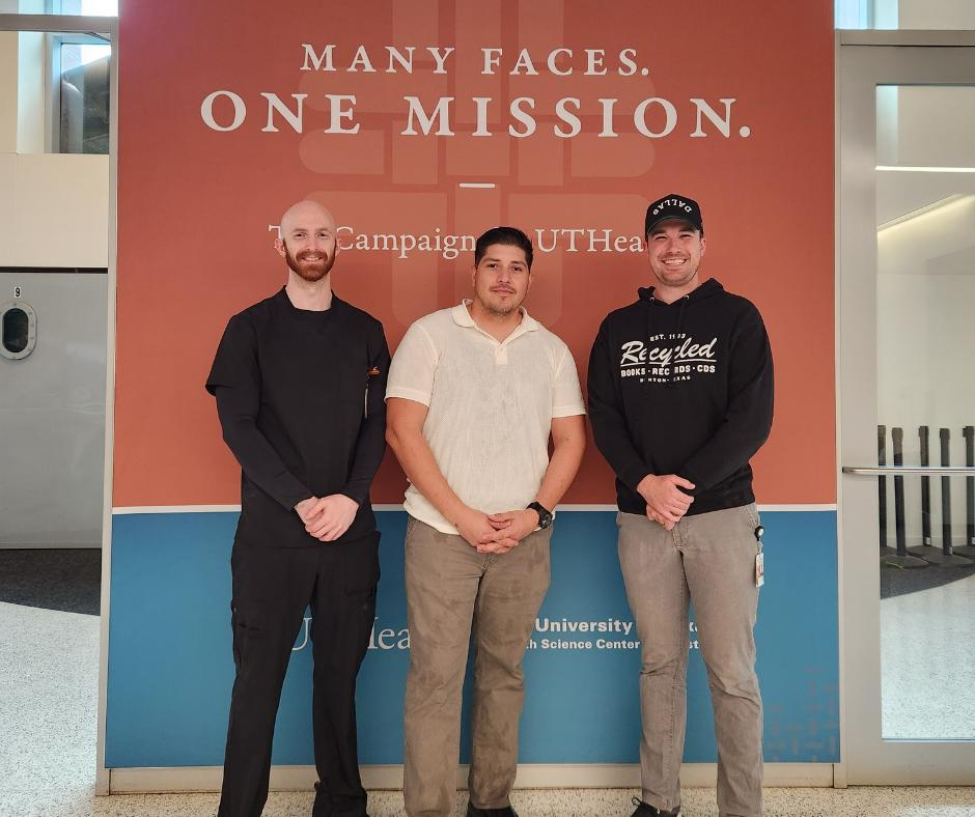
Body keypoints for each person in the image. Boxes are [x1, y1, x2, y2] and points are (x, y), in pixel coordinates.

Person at [385, 227, 587, 817]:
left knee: (504, 674)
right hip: (443, 537)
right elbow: (402, 431)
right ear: (473, 273)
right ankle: (429, 810)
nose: (504, 277)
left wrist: (533, 515)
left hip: (522, 542)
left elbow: (571, 441)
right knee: (435, 681)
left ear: (529, 277)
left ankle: (492, 803)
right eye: (493, 265)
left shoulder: (549, 349)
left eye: (517, 267)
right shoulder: (430, 335)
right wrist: (463, 516)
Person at [587, 194, 774, 817]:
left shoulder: (738, 318)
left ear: (702, 243)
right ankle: (658, 800)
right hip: (643, 521)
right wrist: (646, 485)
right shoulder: (618, 328)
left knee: (732, 674)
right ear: (646, 247)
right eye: (660, 236)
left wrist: (680, 486)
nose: (673, 247)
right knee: (659, 665)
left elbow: (750, 422)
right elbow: (605, 421)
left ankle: (741, 807)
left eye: (684, 235)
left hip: (720, 517)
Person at [205, 199, 390, 817]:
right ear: (279, 245)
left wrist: (348, 497)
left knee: (338, 684)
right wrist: (302, 500)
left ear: (338, 242)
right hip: (272, 537)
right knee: (257, 685)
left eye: (322, 233)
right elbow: (239, 428)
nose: (312, 244)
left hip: (348, 532)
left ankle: (341, 803)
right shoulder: (248, 328)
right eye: (299, 234)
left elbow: (378, 426)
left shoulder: (366, 330)